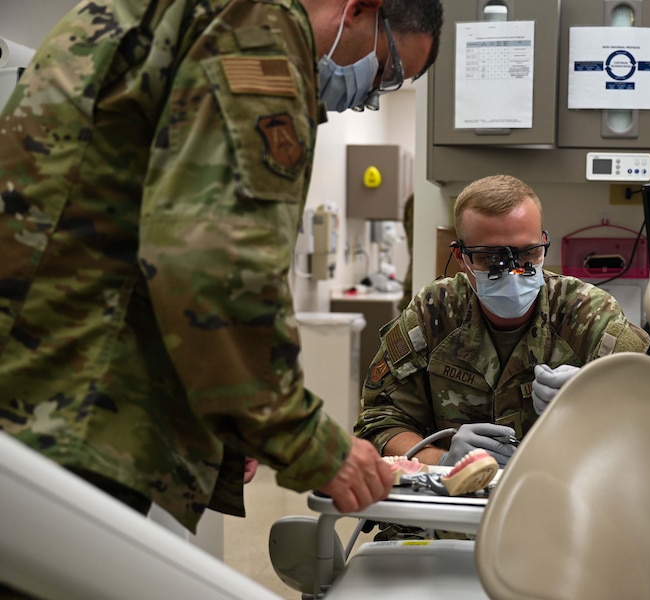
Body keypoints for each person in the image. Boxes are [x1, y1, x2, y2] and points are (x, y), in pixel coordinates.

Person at [0, 0, 443, 548]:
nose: (371, 93)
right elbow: (215, 264)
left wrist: (236, 421)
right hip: (78, 408)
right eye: (387, 70)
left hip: (41, 383)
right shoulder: (259, 26)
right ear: (360, 9)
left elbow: (138, 229)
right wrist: (306, 439)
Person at [355, 174, 650, 467]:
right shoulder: (434, 313)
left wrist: (594, 398)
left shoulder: (587, 314)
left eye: (528, 254)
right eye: (491, 258)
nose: (513, 272)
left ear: (543, 243)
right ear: (461, 256)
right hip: (453, 500)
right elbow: (379, 419)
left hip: (558, 497)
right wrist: (442, 460)